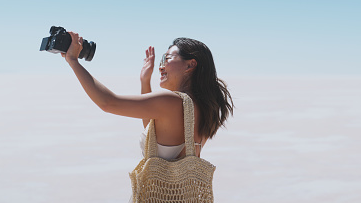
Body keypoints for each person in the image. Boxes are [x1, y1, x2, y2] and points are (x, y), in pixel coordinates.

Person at [61, 32, 234, 160]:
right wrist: (145, 82)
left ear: (190, 65)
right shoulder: (203, 107)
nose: (161, 66)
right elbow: (154, 132)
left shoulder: (172, 102)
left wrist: (73, 61)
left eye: (166, 59)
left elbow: (108, 103)